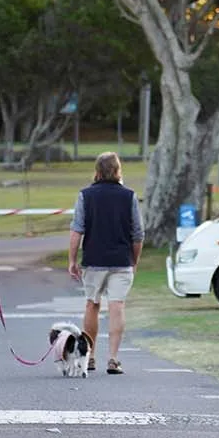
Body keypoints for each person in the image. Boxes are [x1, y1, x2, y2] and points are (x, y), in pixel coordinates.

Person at [66, 151, 143, 375]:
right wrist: (134, 260)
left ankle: (88, 356)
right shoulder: (128, 196)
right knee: (117, 305)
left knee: (92, 304)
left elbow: (77, 229)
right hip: (121, 260)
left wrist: (72, 259)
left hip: (94, 260)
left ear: (97, 171)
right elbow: (137, 234)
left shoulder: (86, 195)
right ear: (118, 170)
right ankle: (113, 358)